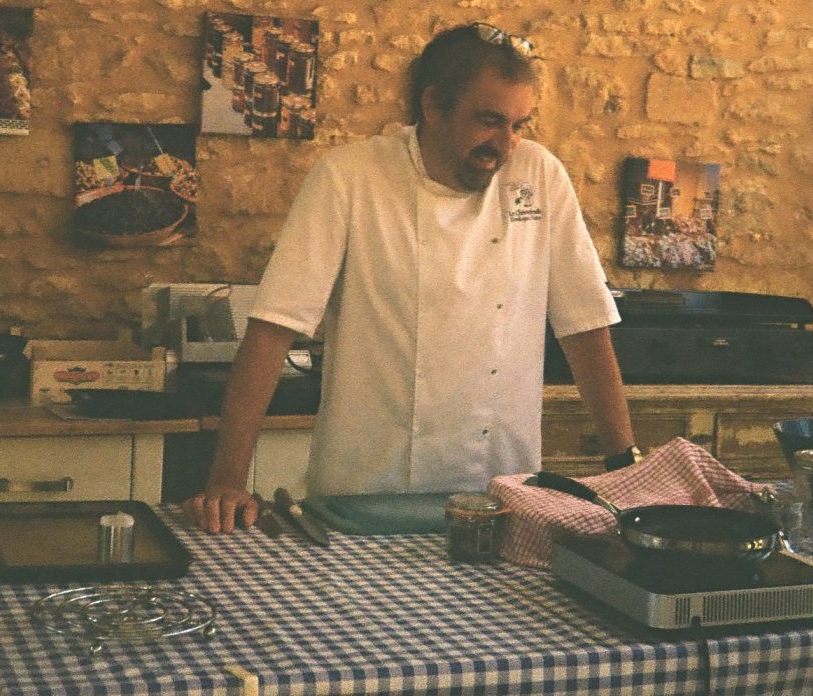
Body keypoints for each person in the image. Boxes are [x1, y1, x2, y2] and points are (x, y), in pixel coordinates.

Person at [184, 22, 637, 534]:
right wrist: (227, 478)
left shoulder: (539, 176)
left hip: (501, 494)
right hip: (366, 495)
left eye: (518, 124)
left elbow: (585, 326)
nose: (505, 145)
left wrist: (625, 466)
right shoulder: (350, 177)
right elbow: (272, 330)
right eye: (488, 121)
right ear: (433, 105)